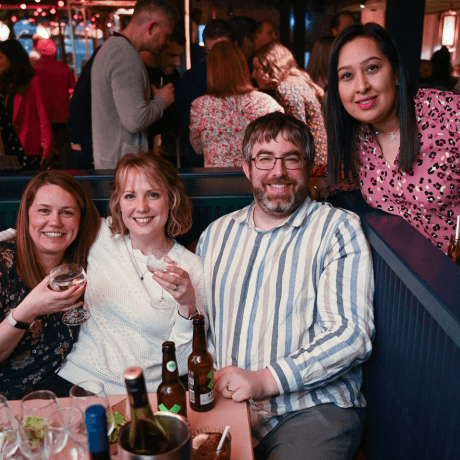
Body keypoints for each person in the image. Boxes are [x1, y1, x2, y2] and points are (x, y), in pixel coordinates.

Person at [196, 112, 374, 460]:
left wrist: (264, 380)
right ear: (247, 168)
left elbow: (352, 334)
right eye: (265, 159)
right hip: (229, 405)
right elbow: (202, 325)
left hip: (310, 409)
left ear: (308, 167)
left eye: (291, 158)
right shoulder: (215, 234)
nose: (278, 171)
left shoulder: (337, 228)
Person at [58, 153, 208, 395]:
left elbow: (182, 360)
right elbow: (44, 234)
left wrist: (186, 304)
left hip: (144, 392)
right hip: (77, 380)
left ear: (171, 199)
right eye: (130, 196)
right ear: (118, 202)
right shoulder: (101, 234)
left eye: (153, 194)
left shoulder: (192, 268)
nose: (141, 207)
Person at [327, 22, 460, 253]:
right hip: (414, 278)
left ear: (396, 72)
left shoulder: (448, 114)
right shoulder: (360, 137)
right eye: (347, 75)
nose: (361, 86)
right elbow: (352, 179)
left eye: (372, 68)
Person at [0, 170, 101, 399]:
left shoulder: (85, 264)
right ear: (27, 215)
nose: (55, 222)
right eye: (44, 210)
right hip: (7, 403)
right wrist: (27, 311)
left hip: (59, 394)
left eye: (67, 212)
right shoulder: (4, 266)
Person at [91, 0, 177, 169]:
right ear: (152, 27)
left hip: (113, 163)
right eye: (166, 35)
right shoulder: (126, 56)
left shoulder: (110, 47)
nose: (166, 42)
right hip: (123, 166)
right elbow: (135, 121)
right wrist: (162, 101)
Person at [190, 41, 283, 167]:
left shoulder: (200, 106)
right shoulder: (267, 102)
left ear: (211, 71)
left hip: (215, 180)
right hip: (257, 177)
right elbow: (280, 142)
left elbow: (198, 148)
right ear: (242, 66)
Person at [252, 42, 327, 166]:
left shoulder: (286, 88)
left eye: (256, 68)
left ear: (271, 66)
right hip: (318, 164)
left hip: (310, 168)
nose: (253, 75)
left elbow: (296, 137)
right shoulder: (296, 81)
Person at [174, 19, 237, 166]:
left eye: (222, 52)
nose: (217, 60)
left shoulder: (252, 75)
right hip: (202, 165)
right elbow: (183, 124)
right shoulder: (192, 78)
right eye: (210, 53)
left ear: (236, 46)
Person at [0, 39, 52, 170]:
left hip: (28, 148)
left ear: (12, 57)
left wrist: (46, 149)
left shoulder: (33, 82)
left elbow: (44, 117)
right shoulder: (4, 84)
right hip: (5, 148)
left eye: (0, 57)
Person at [33, 39, 76, 167]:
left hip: (41, 118)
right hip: (62, 115)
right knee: (63, 150)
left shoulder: (34, 68)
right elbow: (73, 89)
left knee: (45, 151)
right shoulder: (63, 68)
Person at [140, 27, 185, 147]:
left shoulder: (173, 75)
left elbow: (176, 118)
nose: (178, 63)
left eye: (180, 56)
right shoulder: (140, 74)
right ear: (157, 50)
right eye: (172, 55)